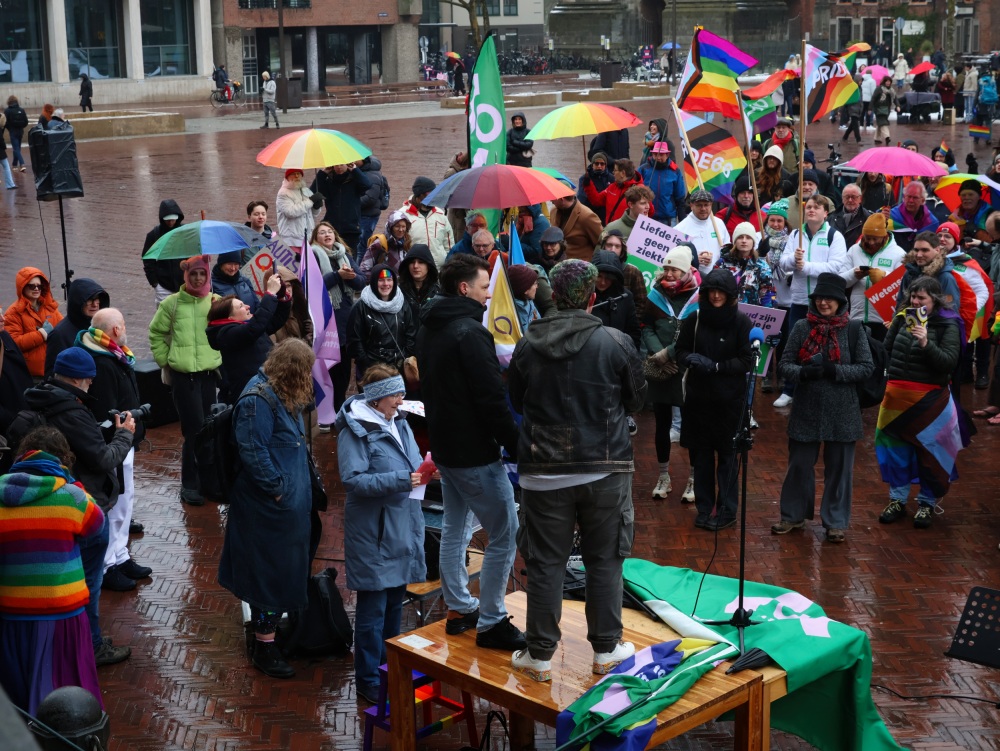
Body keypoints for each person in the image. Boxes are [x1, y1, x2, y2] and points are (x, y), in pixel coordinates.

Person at [508, 259, 646, 682]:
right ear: (592, 297)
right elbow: (636, 400)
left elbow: (515, 397)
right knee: (605, 560)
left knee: (547, 562)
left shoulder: (528, 343)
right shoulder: (615, 341)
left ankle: (540, 655)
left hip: (543, 470)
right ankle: (606, 650)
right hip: (604, 468)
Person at [415, 254, 525, 651]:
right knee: (505, 531)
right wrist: (516, 443)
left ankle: (460, 607)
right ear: (464, 288)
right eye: (483, 286)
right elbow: (491, 398)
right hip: (473, 453)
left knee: (455, 528)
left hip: (445, 445)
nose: (489, 292)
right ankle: (493, 620)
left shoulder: (430, 325)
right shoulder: (470, 332)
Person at [10, 348, 135, 667]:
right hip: (82, 503)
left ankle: (64, 644)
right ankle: (91, 644)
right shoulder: (73, 411)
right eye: (90, 381)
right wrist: (123, 436)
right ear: (81, 379)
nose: (91, 387)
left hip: (53, 503)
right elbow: (104, 458)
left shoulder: (39, 398)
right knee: (88, 583)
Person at [218, 339, 316, 679]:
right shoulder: (258, 400)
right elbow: (253, 451)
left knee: (280, 573)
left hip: (286, 509)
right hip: (268, 509)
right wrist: (279, 491)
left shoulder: (280, 393)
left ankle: (272, 637)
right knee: (266, 577)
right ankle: (264, 646)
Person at [336, 364, 425, 702]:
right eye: (396, 393)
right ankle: (369, 679)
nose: (402, 399)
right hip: (373, 533)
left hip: (401, 527)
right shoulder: (354, 432)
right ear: (376, 399)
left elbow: (413, 464)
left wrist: (429, 472)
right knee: (372, 612)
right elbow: (353, 480)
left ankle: (391, 669)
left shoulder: (399, 423)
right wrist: (403, 480)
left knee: (392, 607)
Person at [0, 426, 106, 713]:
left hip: (11, 615)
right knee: (69, 697)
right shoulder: (71, 496)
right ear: (63, 460)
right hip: (63, 617)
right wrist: (71, 483)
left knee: (17, 699)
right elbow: (98, 526)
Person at [772, 272, 873, 543]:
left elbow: (866, 368)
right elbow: (784, 365)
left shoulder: (853, 329)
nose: (824, 303)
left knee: (840, 470)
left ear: (841, 302)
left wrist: (833, 370)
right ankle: (792, 516)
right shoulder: (802, 327)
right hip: (807, 408)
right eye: (819, 298)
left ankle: (836, 522)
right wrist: (804, 374)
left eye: (830, 299)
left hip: (844, 411)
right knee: (799, 466)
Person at [74, 308, 151, 592]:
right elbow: (107, 409)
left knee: (124, 503)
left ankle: (120, 555)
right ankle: (108, 565)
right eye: (124, 325)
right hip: (114, 443)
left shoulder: (113, 354)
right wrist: (120, 436)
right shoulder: (104, 362)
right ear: (116, 330)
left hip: (124, 440)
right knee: (114, 505)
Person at [876, 276, 962, 529]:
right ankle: (897, 501)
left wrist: (925, 342)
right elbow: (886, 350)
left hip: (930, 401)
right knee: (895, 451)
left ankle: (926, 503)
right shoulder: (903, 317)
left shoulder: (948, 325)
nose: (915, 301)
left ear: (934, 300)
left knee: (931, 453)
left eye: (921, 298)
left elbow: (948, 362)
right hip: (896, 398)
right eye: (913, 296)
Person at [675, 269, 753, 531]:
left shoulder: (741, 322)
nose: (716, 296)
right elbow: (681, 350)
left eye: (721, 292)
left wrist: (716, 366)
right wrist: (690, 360)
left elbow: (746, 360)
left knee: (729, 460)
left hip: (729, 403)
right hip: (699, 402)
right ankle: (705, 507)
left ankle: (727, 510)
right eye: (711, 291)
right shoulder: (694, 318)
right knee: (702, 458)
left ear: (730, 295)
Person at [148, 256, 222, 506]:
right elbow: (156, 332)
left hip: (209, 376)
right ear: (186, 276)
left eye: (202, 274)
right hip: (184, 378)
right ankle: (190, 484)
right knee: (194, 430)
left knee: (210, 429)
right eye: (194, 274)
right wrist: (165, 360)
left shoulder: (215, 302)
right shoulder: (172, 303)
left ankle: (209, 481)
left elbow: (231, 328)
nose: (198, 278)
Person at [774, 195, 848, 408]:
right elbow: (784, 264)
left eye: (817, 207)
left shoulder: (835, 236)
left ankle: (819, 389)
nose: (812, 210)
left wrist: (805, 266)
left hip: (824, 302)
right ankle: (790, 389)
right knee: (794, 345)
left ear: (826, 213)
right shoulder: (796, 234)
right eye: (809, 207)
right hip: (798, 300)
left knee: (822, 347)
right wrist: (793, 259)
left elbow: (835, 267)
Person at [642, 247, 697, 499]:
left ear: (686, 270)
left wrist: (671, 353)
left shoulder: (699, 297)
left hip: (687, 368)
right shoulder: (655, 295)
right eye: (666, 268)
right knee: (661, 425)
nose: (669, 273)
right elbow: (646, 327)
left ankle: (694, 479)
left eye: (675, 268)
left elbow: (696, 333)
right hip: (662, 368)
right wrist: (658, 355)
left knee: (692, 426)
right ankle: (663, 476)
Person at [206, 274, 291, 404]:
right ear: (229, 318)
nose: (247, 306)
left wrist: (281, 296)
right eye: (241, 306)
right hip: (251, 396)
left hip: (267, 388)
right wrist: (270, 294)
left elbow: (276, 320)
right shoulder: (226, 333)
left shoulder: (248, 326)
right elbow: (254, 328)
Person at [840, 213, 905, 341]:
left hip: (884, 320)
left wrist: (884, 277)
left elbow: (905, 285)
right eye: (867, 237)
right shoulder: (854, 250)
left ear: (884, 236)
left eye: (875, 239)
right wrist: (854, 274)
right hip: (857, 318)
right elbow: (840, 281)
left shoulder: (898, 253)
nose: (870, 242)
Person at [347, 265, 417, 376]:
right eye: (381, 280)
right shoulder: (360, 307)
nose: (386, 284)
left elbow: (410, 333)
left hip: (398, 369)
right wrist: (368, 365)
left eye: (389, 280)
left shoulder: (403, 303)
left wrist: (403, 359)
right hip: (372, 371)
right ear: (374, 281)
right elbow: (355, 341)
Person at [5, 268, 63, 379]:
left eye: (39, 286)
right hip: (29, 375)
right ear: (23, 287)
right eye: (32, 286)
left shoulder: (50, 307)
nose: (36, 289)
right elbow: (13, 343)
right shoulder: (14, 312)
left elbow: (62, 329)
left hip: (52, 370)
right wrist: (41, 334)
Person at [44, 279, 109, 376]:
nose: (95, 304)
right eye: (89, 300)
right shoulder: (60, 334)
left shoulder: (99, 327)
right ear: (78, 302)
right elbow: (53, 374)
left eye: (97, 299)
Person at [312, 162, 373, 253]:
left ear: (348, 165)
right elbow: (312, 191)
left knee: (350, 259)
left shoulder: (354, 180)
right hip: (332, 228)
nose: (339, 167)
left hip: (351, 228)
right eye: (336, 164)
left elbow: (367, 184)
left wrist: (355, 170)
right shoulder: (328, 181)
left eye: (342, 164)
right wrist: (322, 173)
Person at [715, 223, 775, 307]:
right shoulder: (722, 263)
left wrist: (765, 314)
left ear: (753, 242)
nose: (744, 240)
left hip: (752, 315)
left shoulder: (762, 267)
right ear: (735, 241)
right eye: (740, 237)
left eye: (748, 238)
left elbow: (767, 294)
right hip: (726, 312)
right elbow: (714, 289)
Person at [402, 177, 454, 269]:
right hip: (415, 269)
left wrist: (449, 264)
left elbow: (449, 245)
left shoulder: (440, 214)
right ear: (419, 195)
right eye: (429, 195)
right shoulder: (403, 216)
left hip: (439, 269)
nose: (433, 198)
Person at [675, 189, 731, 275]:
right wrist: (695, 259)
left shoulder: (719, 223)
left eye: (706, 205)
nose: (703, 208)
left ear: (711, 205)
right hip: (693, 277)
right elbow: (676, 259)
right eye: (699, 205)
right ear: (691, 205)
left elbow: (727, 248)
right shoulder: (680, 229)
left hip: (718, 275)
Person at [589, 251, 640, 346]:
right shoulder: (583, 295)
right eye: (599, 276)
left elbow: (633, 333)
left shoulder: (625, 297)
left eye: (608, 278)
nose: (603, 282)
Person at [142, 200, 186, 304]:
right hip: (163, 286)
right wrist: (155, 283)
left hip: (185, 284)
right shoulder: (154, 235)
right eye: (168, 220)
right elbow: (148, 260)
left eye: (173, 220)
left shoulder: (185, 232)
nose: (171, 222)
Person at [598, 229, 648, 317]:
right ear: (603, 246)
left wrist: (629, 322)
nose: (612, 249)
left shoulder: (633, 272)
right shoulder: (594, 268)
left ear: (622, 249)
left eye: (617, 246)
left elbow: (642, 304)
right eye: (609, 245)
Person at [0, 305, 32, 439]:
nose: (3, 319)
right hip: (8, 425)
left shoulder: (4, 337)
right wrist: (10, 420)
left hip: (22, 417)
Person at [581, 158, 644, 225]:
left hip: (627, 233)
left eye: (615, 170)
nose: (613, 172)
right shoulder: (612, 187)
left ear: (623, 173)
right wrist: (588, 185)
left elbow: (649, 211)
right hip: (610, 230)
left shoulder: (639, 190)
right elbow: (597, 200)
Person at [638, 141, 685, 225]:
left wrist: (683, 221)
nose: (658, 158)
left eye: (661, 154)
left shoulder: (675, 172)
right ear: (652, 155)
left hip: (668, 218)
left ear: (667, 155)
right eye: (655, 154)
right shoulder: (643, 169)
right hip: (647, 216)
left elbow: (680, 198)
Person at [548, 193, 603, 261]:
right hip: (559, 263)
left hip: (581, 265)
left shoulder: (587, 216)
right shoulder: (554, 210)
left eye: (553, 198)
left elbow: (600, 242)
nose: (551, 201)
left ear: (562, 199)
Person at [891, 182, 941, 253]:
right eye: (908, 196)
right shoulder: (892, 216)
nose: (911, 201)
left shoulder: (931, 222)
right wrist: (883, 220)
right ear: (904, 197)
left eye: (915, 198)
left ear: (923, 200)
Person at [398, 243, 440, 325]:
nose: (415, 266)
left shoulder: (438, 292)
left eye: (421, 262)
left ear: (428, 265)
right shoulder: (398, 292)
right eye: (412, 262)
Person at [361, 210, 411, 277]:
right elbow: (365, 268)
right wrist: (377, 282)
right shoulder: (379, 243)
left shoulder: (406, 242)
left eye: (403, 226)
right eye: (397, 226)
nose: (401, 230)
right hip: (385, 285)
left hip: (402, 285)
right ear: (391, 227)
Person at [276, 169, 316, 252]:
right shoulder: (283, 193)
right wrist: (310, 201)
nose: (297, 176)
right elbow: (290, 212)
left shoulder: (305, 190)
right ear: (287, 177)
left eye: (299, 174)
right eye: (293, 174)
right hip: (292, 241)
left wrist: (317, 206)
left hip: (308, 238)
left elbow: (313, 214)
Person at [830, 184, 872, 249]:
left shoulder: (868, 218)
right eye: (847, 197)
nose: (850, 200)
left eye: (853, 197)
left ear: (860, 199)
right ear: (842, 199)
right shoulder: (832, 217)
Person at [508, 264, 540, 332]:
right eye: (535, 283)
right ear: (525, 289)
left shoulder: (529, 301)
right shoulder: (510, 314)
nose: (537, 286)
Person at [3, 95, 28, 172]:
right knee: (17, 148)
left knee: (16, 148)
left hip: (12, 131)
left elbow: (4, 122)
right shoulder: (21, 109)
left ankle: (22, 164)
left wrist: (9, 128)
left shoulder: (7, 111)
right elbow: (26, 122)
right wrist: (21, 127)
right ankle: (14, 165)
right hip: (20, 131)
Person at [872, 77, 899, 146]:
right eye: (886, 81)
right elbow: (873, 98)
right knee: (884, 123)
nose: (888, 83)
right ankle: (887, 137)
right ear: (884, 82)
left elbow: (895, 98)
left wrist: (898, 106)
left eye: (889, 81)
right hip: (878, 109)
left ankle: (877, 138)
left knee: (880, 123)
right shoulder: (879, 89)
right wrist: (870, 108)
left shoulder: (891, 90)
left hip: (887, 110)